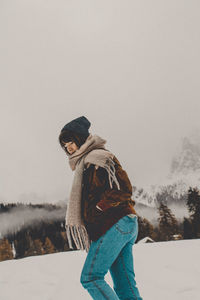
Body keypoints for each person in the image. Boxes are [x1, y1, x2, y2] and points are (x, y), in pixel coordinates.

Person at [58, 116, 143, 300]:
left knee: (90, 277)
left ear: (80, 138)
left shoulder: (98, 158)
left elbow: (123, 188)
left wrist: (98, 208)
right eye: (65, 146)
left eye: (70, 142)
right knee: (124, 285)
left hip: (114, 224)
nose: (68, 148)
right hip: (125, 224)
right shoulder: (88, 162)